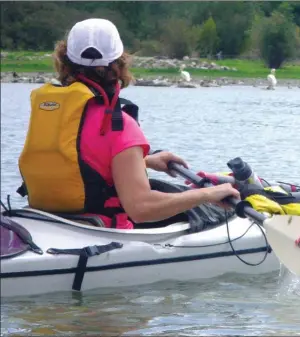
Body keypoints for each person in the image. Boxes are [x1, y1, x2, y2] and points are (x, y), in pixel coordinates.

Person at [17, 18, 240, 229]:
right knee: (207, 213)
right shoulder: (118, 123)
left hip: (44, 220)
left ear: (64, 61)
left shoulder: (52, 110)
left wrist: (146, 161)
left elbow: (79, 162)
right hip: (101, 231)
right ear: (120, 63)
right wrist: (208, 195)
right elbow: (141, 208)